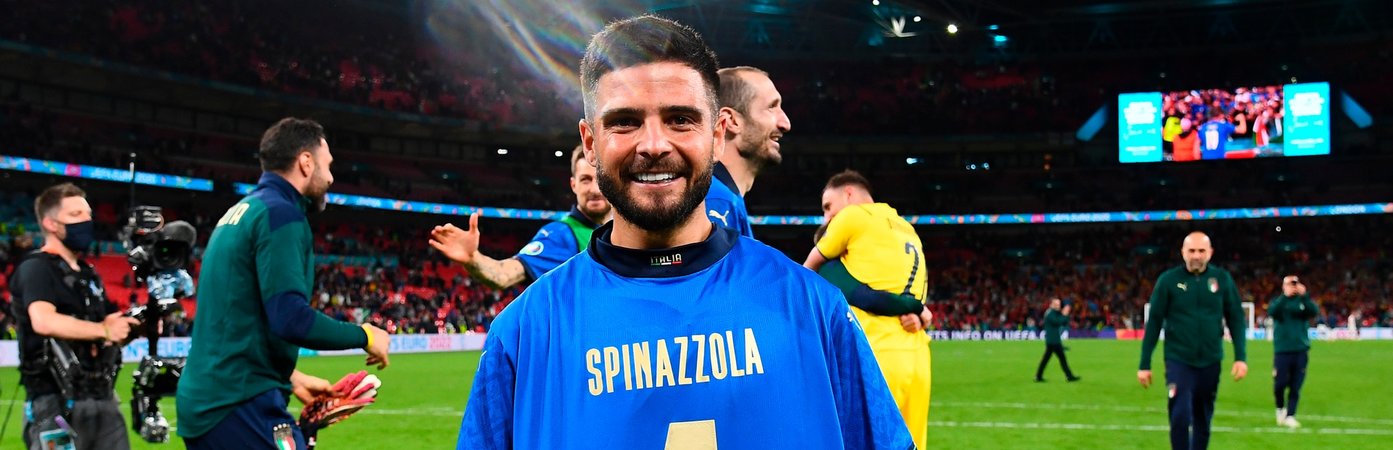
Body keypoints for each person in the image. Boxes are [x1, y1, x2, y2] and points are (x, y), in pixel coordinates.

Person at [457, 15, 911, 449]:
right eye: (625, 121)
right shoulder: (522, 334)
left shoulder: (816, 309)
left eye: (680, 119)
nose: (654, 145)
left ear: (717, 135)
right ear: (591, 143)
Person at [177, 118, 392, 449]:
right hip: (238, 403)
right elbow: (290, 318)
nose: (331, 178)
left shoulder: (242, 211)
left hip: (215, 401)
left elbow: (236, 322)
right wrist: (365, 335)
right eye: (327, 165)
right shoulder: (282, 215)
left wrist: (292, 379)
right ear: (306, 162)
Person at [802, 170, 932, 450]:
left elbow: (807, 272)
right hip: (917, 354)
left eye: (828, 206)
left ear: (849, 194)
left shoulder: (852, 217)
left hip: (876, 350)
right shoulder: (905, 228)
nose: (827, 218)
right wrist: (920, 312)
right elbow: (910, 293)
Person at [9, 183, 139, 450]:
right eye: (75, 214)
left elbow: (107, 327)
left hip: (103, 399)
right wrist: (104, 330)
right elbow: (43, 321)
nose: (86, 221)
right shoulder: (36, 268)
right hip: (54, 402)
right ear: (51, 224)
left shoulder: (88, 274)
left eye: (88, 214)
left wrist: (133, 327)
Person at [429, 144, 610, 288]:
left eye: (600, 179)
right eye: (585, 180)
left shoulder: (620, 232)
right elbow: (504, 274)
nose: (594, 189)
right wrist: (473, 258)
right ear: (573, 185)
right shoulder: (560, 234)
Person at [1138, 231, 1248, 450]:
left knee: (1203, 417)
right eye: (1191, 251)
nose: (1196, 255)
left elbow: (1235, 318)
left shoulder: (1222, 279)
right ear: (1183, 252)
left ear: (1210, 253)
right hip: (1178, 360)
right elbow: (1154, 322)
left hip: (1211, 360)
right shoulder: (1168, 281)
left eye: (1201, 251)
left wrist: (1240, 357)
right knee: (1179, 415)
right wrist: (1144, 363)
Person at [703, 66, 791, 237]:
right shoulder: (717, 200)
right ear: (732, 121)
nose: (785, 124)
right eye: (772, 107)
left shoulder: (723, 197)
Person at [1269, 275, 1317, 428]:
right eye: (1289, 283)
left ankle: (1290, 415)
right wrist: (1285, 296)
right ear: (1283, 286)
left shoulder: (1302, 301)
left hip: (1300, 350)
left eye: (1295, 283)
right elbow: (1272, 312)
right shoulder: (1279, 302)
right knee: (1280, 384)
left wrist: (1305, 295)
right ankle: (1280, 408)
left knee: (1296, 385)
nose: (1293, 286)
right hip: (1282, 350)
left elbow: (1313, 311)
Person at [1035, 298, 1080, 382]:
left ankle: (1038, 376)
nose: (1058, 306)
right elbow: (1058, 321)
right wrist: (1065, 314)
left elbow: (1063, 322)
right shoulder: (1050, 313)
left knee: (1050, 359)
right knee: (1060, 359)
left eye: (1059, 304)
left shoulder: (1053, 312)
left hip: (1053, 340)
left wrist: (1065, 314)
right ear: (1051, 304)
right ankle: (1069, 376)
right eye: (1056, 304)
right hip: (1053, 341)